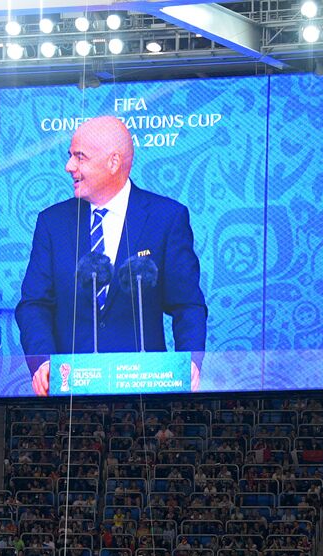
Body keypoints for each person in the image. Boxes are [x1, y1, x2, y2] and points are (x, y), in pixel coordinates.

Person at [15, 115, 207, 396]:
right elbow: (34, 304)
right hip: (69, 394)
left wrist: (188, 363)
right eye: (70, 156)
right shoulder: (52, 222)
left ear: (113, 162)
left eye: (80, 158)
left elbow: (187, 305)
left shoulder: (166, 218)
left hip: (144, 393)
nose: (69, 167)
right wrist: (42, 362)